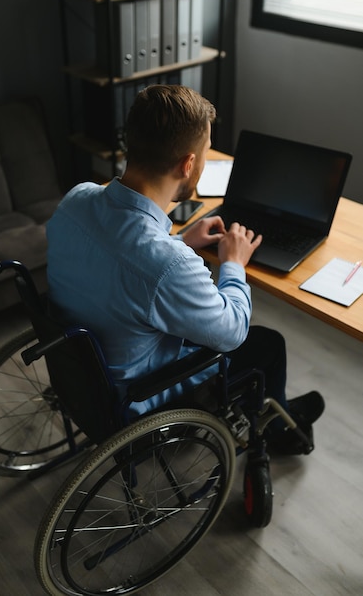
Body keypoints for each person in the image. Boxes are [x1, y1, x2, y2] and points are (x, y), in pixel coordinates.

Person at [47, 84, 324, 455]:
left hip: (82, 373)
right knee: (267, 343)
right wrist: (233, 264)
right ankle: (277, 431)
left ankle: (274, 412)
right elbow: (232, 334)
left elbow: (125, 262)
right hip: (136, 398)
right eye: (207, 152)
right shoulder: (168, 265)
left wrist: (182, 240)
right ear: (188, 164)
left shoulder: (76, 198)